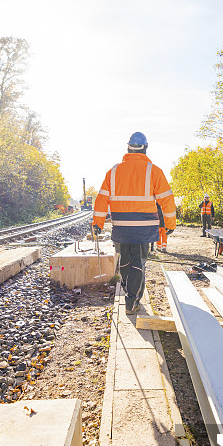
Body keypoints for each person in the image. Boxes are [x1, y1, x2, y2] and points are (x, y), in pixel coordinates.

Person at [92, 132, 176, 314]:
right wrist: (170, 224)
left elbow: (101, 200)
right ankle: (132, 300)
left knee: (125, 260)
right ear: (145, 148)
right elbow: (167, 201)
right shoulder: (154, 171)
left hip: (121, 226)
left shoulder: (114, 171)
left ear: (128, 147)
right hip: (143, 227)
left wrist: (97, 223)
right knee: (139, 262)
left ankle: (129, 292)